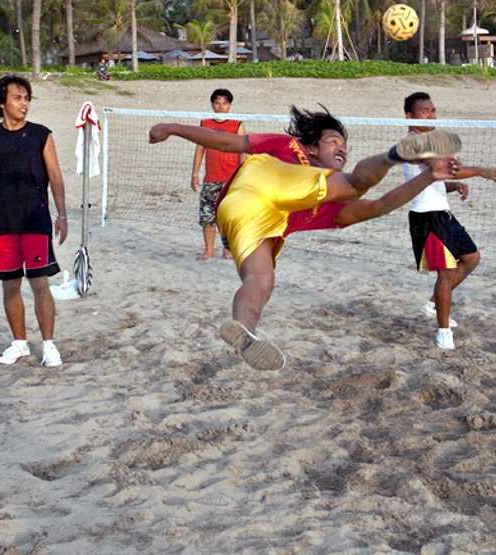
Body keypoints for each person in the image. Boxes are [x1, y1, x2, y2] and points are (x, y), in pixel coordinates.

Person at [148, 109, 462, 369]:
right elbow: (229, 143)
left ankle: (245, 333)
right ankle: (394, 155)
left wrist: (427, 177)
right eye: (333, 141)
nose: (342, 148)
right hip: (260, 184)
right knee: (353, 184)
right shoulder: (288, 147)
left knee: (261, 281)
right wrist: (173, 127)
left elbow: (379, 207)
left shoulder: (328, 203)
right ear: (312, 147)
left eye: (344, 145)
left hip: (245, 217)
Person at [0, 75, 69, 368]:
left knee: (39, 282)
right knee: (10, 286)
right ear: (2, 102)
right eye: (18, 97)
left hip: (34, 218)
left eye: (27, 98)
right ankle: (18, 343)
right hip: (2, 220)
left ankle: (49, 345)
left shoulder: (42, 134)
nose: (24, 103)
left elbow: (55, 176)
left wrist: (62, 214)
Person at [402, 92, 496, 350]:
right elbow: (441, 169)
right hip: (427, 218)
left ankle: (433, 303)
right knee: (445, 274)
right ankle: (443, 332)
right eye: (425, 111)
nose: (432, 115)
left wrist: (453, 185)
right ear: (409, 116)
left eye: (433, 110)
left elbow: (432, 179)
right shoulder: (413, 143)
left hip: (441, 213)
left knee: (471, 258)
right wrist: (479, 171)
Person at [191, 88, 243, 260]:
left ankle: (228, 250)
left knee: (228, 217)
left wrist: (243, 175)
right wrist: (195, 174)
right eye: (217, 103)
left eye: (224, 103)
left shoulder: (237, 124)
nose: (221, 106)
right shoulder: (205, 124)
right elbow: (199, 149)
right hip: (211, 179)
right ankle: (209, 251)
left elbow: (243, 150)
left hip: (231, 179)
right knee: (207, 216)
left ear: (230, 105)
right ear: (212, 105)